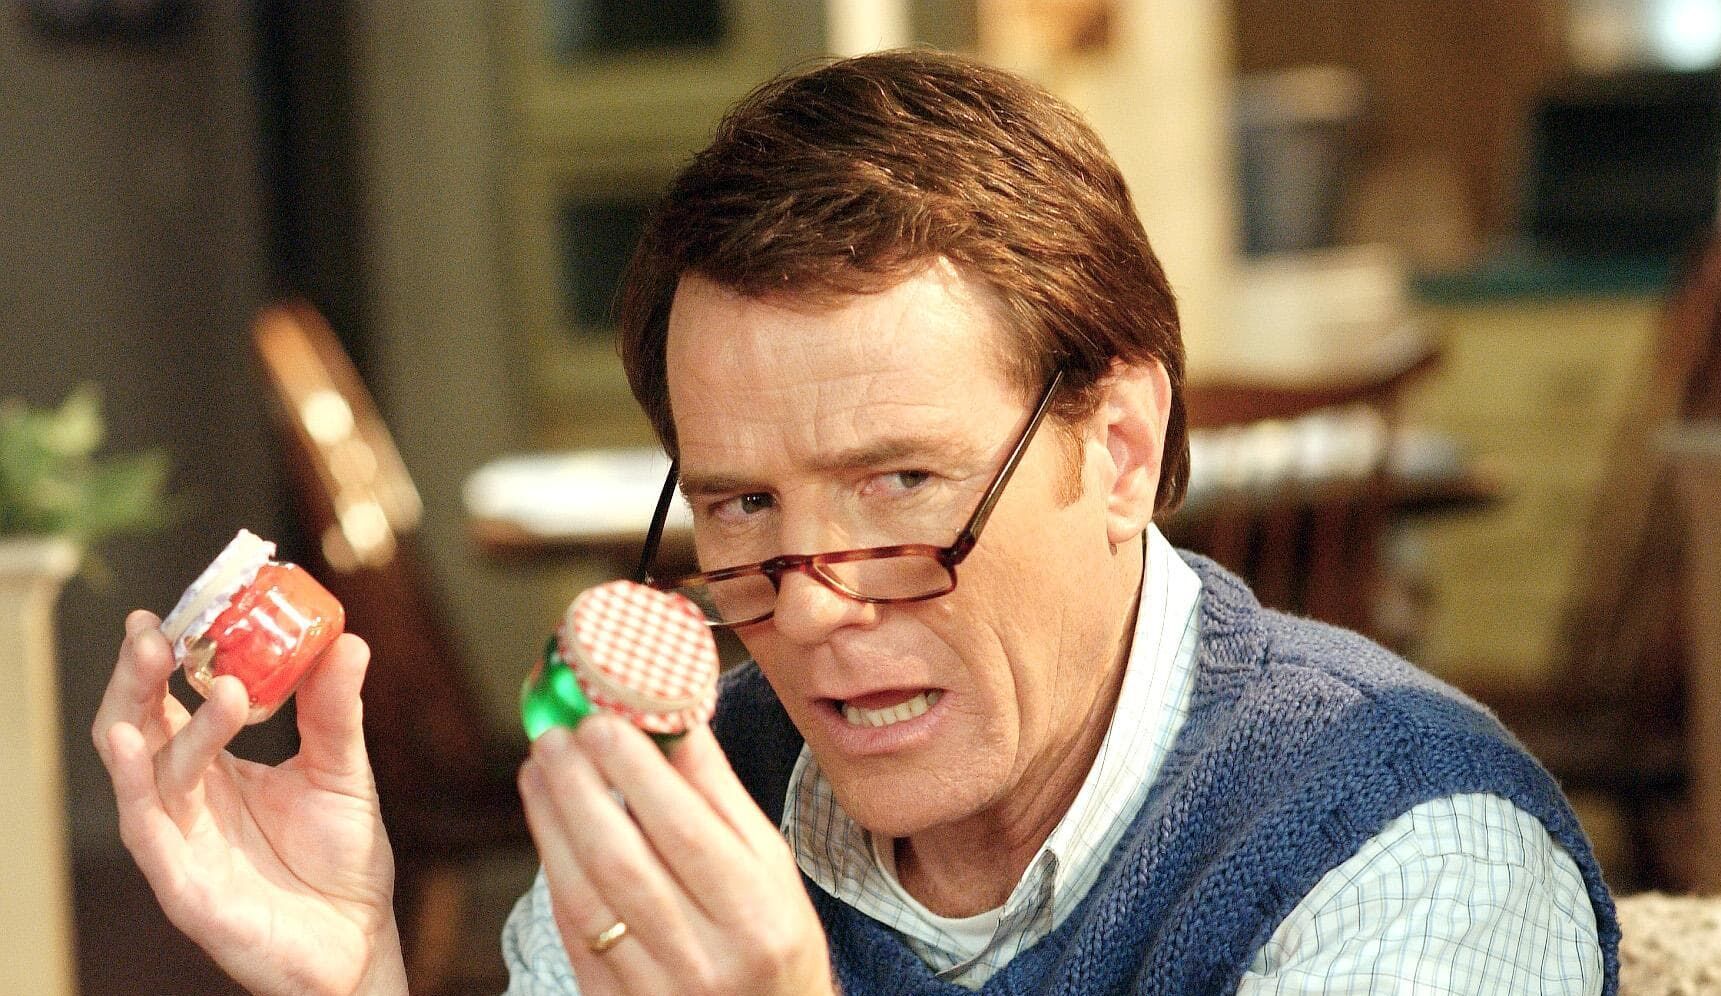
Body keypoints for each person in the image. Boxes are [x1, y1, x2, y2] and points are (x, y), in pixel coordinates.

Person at [94, 49, 1618, 996]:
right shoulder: (687, 804)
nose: (813, 607)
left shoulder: (1411, 852)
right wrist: (356, 980)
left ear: (1122, 449)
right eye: (743, 504)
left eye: (901, 487)